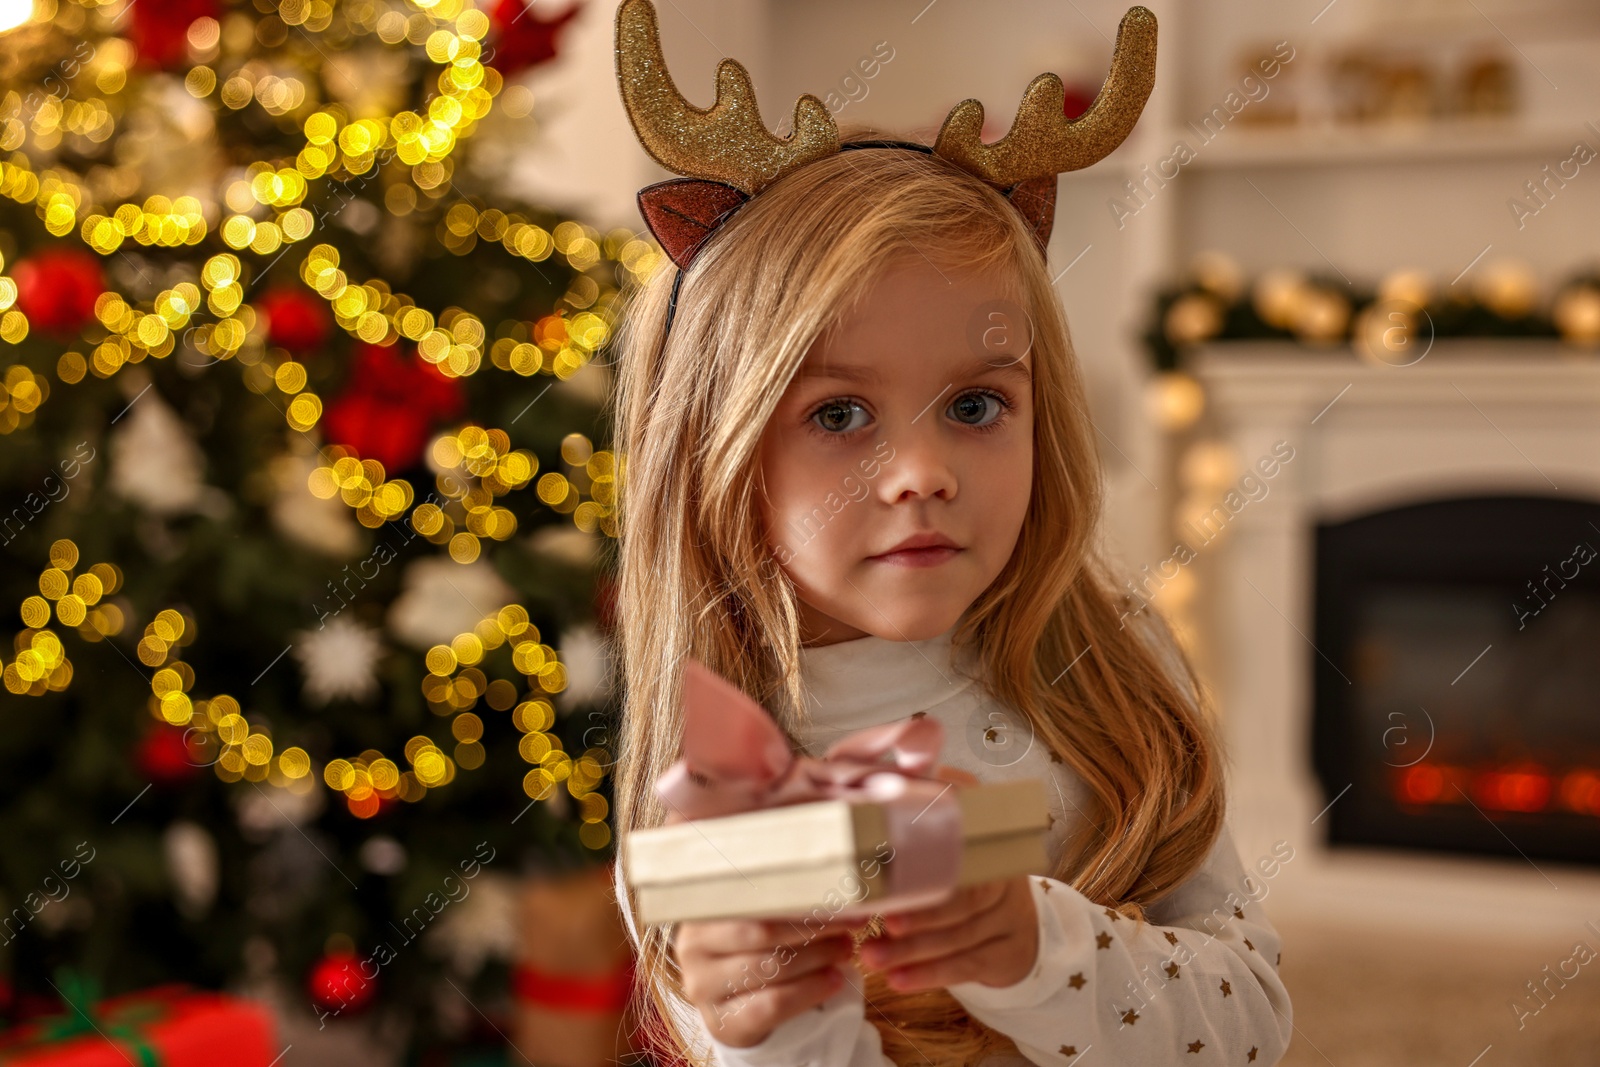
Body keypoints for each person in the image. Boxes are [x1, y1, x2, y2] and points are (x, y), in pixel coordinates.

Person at [605, 2, 1292, 1063]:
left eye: (975, 406)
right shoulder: (713, 778)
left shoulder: (1112, 656)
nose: (923, 473)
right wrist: (770, 1024)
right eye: (837, 414)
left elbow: (1250, 1019)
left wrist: (1037, 949)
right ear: (714, 454)